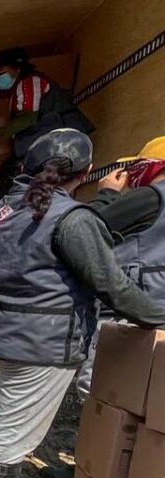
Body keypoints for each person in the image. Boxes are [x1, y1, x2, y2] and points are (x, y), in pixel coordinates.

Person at [0, 129, 165, 478]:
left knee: (2, 413)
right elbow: (112, 286)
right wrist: (158, 314)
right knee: (16, 429)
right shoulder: (71, 218)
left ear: (25, 167)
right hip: (43, 341)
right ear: (87, 172)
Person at [73, 136, 165, 401]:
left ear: (155, 167)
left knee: (102, 393)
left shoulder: (150, 198)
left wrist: (107, 194)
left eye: (137, 167)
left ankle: (103, 441)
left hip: (130, 312)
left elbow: (82, 228)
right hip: (156, 311)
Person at [0, 47, 95, 200]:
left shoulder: (29, 82)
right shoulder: (20, 89)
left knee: (10, 177)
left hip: (59, 144)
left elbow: (27, 119)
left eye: (1, 72)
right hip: (53, 144)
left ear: (17, 67)